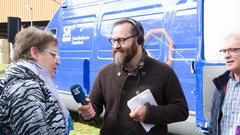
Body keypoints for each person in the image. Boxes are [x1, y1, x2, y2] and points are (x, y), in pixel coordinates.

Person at [78, 18, 189, 135]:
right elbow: (95, 105)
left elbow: (181, 110)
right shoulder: (105, 72)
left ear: (139, 40)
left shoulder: (164, 72)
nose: (116, 45)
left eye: (121, 40)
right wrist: (89, 112)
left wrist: (149, 113)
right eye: (113, 40)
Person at [0, 27, 73, 134]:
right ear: (34, 53)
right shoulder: (25, 89)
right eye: (53, 55)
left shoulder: (30, 82)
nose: (58, 62)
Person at [210, 31, 240, 135]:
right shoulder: (221, 84)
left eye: (233, 50)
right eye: (224, 51)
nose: (226, 56)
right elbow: (214, 124)